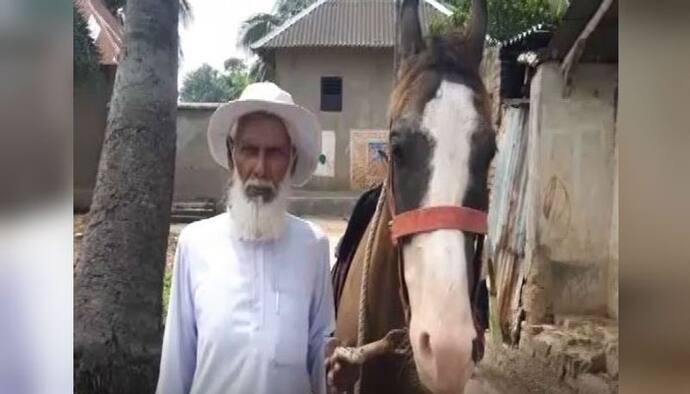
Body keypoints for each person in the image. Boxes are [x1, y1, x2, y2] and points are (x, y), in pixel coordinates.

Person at [156, 82, 335, 394]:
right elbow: (177, 362)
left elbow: (321, 350)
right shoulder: (196, 243)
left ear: (291, 159)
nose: (261, 168)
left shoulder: (313, 245)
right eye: (249, 150)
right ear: (231, 155)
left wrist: (336, 371)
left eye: (275, 153)